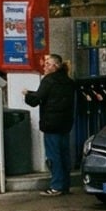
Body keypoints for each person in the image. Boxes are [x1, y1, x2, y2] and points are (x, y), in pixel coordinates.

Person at [23, 52, 76, 197]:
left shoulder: (48, 80)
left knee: (54, 156)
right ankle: (65, 185)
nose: (44, 66)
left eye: (47, 64)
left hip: (51, 124)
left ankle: (56, 186)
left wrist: (27, 95)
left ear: (55, 66)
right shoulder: (68, 81)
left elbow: (37, 99)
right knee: (64, 155)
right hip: (65, 123)